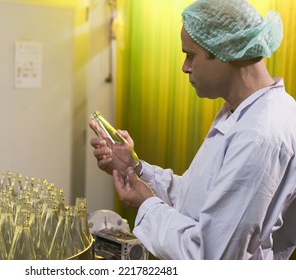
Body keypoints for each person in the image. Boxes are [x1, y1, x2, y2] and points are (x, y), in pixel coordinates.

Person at [89, 0, 296, 260]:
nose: (185, 67)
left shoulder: (260, 135)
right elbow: (196, 200)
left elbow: (213, 258)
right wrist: (135, 168)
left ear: (225, 51)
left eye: (190, 55)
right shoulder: (241, 112)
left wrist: (146, 204)